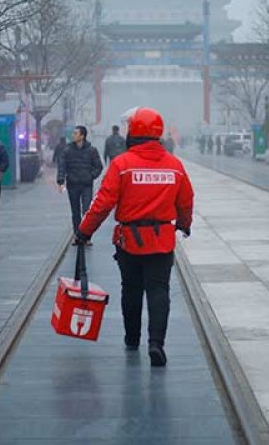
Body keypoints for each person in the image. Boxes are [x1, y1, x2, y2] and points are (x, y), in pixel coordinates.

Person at [77, 107, 194, 367]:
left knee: (130, 289)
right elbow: (186, 201)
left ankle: (132, 338)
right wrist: (184, 225)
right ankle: (156, 343)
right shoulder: (174, 166)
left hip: (129, 240)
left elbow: (102, 203)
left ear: (134, 132)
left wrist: (85, 231)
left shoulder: (122, 165)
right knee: (159, 290)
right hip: (162, 240)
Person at [57, 125, 103, 245]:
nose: (73, 135)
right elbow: (62, 166)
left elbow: (99, 167)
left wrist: (91, 176)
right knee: (75, 212)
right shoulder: (67, 150)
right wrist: (60, 180)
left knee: (87, 211)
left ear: (82, 136)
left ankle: (86, 237)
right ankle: (77, 235)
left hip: (86, 185)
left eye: (76, 133)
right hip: (73, 184)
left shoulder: (92, 150)